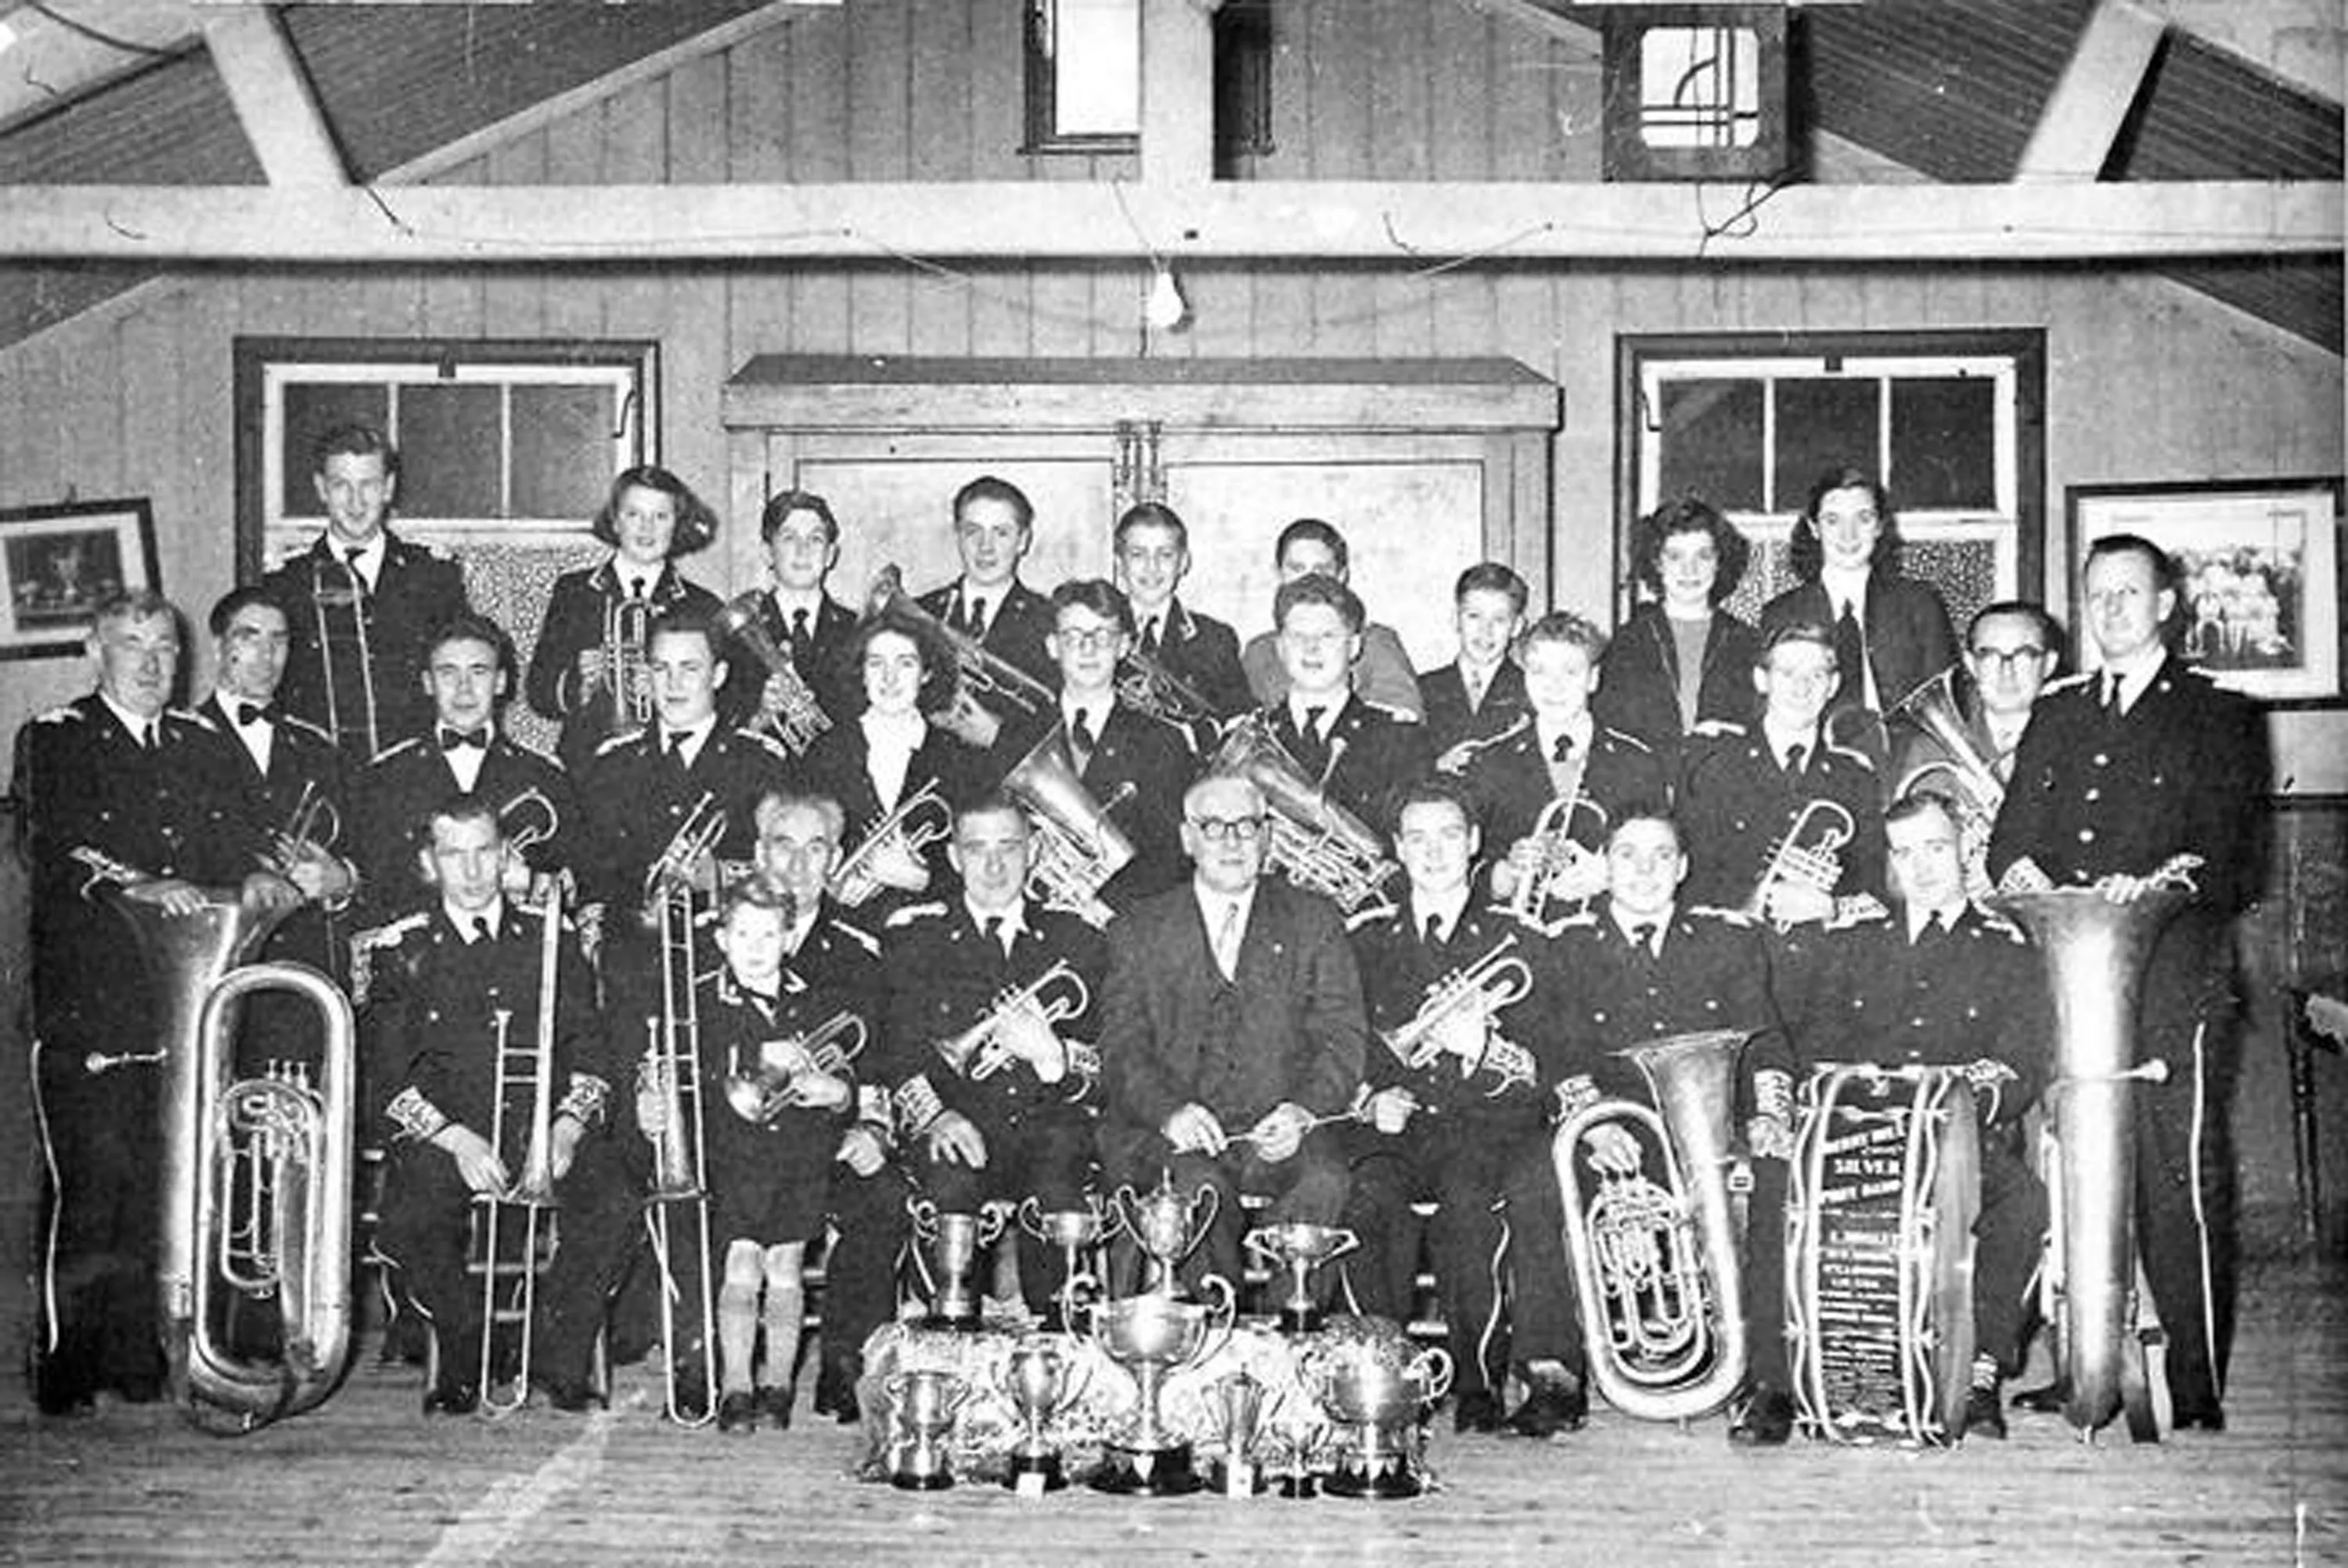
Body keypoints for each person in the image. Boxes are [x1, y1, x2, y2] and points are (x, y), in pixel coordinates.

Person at [1987, 533, 2268, 1433]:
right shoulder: (2063, 712)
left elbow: (2231, 860)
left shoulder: (2217, 714)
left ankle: (2191, 1379)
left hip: (2173, 977)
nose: (2110, 610)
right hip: (2072, 980)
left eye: (2128, 594)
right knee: (2071, 1172)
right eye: (2096, 595)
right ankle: (2086, 1367)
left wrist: (2151, 881)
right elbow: (2010, 838)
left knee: (2168, 1171)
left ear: (2164, 606)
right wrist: (2025, 875)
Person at [16, 591, 299, 1414]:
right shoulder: (54, 739)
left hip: (181, 1005)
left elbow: (237, 832)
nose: (151, 664)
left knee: (155, 1179)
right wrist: (144, 882)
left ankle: (136, 1356)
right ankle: (65, 1363)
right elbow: (56, 842)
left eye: (166, 650)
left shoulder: (197, 742)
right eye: (131, 645)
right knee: (91, 1182)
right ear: (93, 651)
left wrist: (253, 871)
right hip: (91, 1005)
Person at [1500, 807, 1797, 1442]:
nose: (1644, 870)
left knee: (1773, 1181)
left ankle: (1768, 1380)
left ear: (1683, 867)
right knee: (1534, 1182)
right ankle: (1554, 1374)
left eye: (1661, 854)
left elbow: (1767, 1043)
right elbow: (1551, 1048)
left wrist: (1771, 1115)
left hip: (1713, 1130)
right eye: (1628, 854)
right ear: (1604, 867)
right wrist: (1590, 1121)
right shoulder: (1565, 945)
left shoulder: (1729, 939)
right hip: (1613, 1130)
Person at [1775, 790, 2049, 1438]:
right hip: (1859, 1137)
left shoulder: (2010, 949)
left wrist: (1954, 1110)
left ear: (1965, 850)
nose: (1922, 867)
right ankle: (1802, 1370)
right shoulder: (1856, 943)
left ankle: (1983, 1369)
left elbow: (2021, 1061)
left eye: (1936, 848)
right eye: (1905, 853)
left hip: (1960, 1136)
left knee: (2024, 1203)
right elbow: (1816, 1043)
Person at [362, 794, 628, 1415]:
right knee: (411, 1216)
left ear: (506, 854)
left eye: (485, 851)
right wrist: (456, 1140)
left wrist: (565, 1129)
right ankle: (467, 1350)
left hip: (541, 1126)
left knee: (614, 1198)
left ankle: (556, 1356)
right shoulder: (401, 947)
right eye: (455, 855)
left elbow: (593, 1049)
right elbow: (388, 1077)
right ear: (433, 863)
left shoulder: (550, 938)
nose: (474, 870)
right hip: (448, 1135)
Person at [1339, 775, 1565, 1433]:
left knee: (1470, 1205)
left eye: (1448, 836)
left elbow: (1544, 1067)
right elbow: (1341, 1048)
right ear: (1398, 850)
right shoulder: (1365, 938)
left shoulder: (1522, 937)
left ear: (1474, 845)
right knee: (1365, 1198)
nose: (1433, 852)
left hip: (1483, 1128)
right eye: (1417, 838)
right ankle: (1377, 1373)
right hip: (1398, 1130)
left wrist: (1481, 1048)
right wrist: (1370, 1097)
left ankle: (1477, 1384)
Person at [1096, 773, 1368, 1291]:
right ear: (1186, 838)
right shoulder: (1138, 927)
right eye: (1213, 826)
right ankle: (1212, 1348)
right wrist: (1170, 1113)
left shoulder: (1314, 920)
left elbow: (1342, 1038)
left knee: (1326, 1181)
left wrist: (1302, 1111)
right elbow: (1122, 1047)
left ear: (1268, 836)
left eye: (1246, 826)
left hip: (1281, 1130)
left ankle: (1295, 1345)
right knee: (1198, 1191)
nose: (1231, 841)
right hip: (1174, 1135)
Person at [879, 797, 1108, 1325]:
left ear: (1036, 851)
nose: (994, 866)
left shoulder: (1079, 939)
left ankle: (1060, 1334)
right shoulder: (916, 938)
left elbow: (1107, 1060)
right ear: (954, 859)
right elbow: (897, 1053)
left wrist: (1051, 1055)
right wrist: (937, 1116)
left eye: (1009, 847)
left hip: (1050, 1123)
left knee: (1060, 1178)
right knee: (950, 1186)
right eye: (976, 850)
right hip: (956, 1121)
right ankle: (947, 1339)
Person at [648, 879, 855, 1433]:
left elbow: (844, 1074)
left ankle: (779, 1386)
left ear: (790, 938)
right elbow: (689, 1070)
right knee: (740, 1262)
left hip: (798, 1156)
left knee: (784, 1266)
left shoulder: (814, 1000)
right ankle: (737, 1385)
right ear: (720, 939)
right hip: (732, 1156)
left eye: (769, 934)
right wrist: (755, 1054)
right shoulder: (700, 1002)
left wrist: (836, 1092)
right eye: (743, 933)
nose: (756, 946)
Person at [743, 789, 899, 1422]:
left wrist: (871, 1123)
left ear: (836, 860)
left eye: (817, 849)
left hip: (826, 1142)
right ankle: (711, 1369)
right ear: (758, 853)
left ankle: (844, 1364)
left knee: (881, 1195)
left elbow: (886, 1057)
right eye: (784, 845)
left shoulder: (864, 953)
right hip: (740, 1147)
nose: (799, 864)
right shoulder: (715, 939)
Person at [574, 609, 794, 1012]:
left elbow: (785, 872)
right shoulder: (611, 764)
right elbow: (591, 875)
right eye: (661, 669)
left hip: (732, 968)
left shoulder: (761, 763)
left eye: (690, 669)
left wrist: (720, 876)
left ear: (719, 675)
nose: (673, 684)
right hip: (633, 970)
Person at [198, 586, 359, 1061]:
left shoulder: (318, 747)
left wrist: (340, 878)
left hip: (303, 974)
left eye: (279, 640)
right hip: (216, 968)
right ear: (218, 646)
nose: (266, 655)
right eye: (250, 637)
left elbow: (356, 849)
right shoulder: (177, 738)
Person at [262, 423, 470, 765]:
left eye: (368, 485)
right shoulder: (285, 584)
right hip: (317, 774)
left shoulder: (434, 577)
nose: (356, 502)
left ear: (388, 488)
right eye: (341, 485)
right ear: (321, 488)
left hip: (411, 777)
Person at [354, 613, 576, 920]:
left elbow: (575, 887)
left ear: (500, 682)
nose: (464, 689)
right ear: (428, 683)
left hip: (518, 957)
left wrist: (528, 880)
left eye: (478, 672)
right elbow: (372, 888)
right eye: (448, 673)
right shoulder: (384, 778)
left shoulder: (545, 776)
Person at [1453, 612, 1669, 924]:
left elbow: (1665, 858)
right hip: (1517, 941)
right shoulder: (1489, 763)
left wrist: (1612, 874)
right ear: (1524, 677)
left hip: (1610, 935)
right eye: (1539, 671)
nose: (1554, 686)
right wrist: (1509, 873)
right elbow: (1466, 872)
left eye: (1570, 672)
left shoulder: (1637, 762)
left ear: (1593, 679)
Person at [994, 578, 1190, 914]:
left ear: (1124, 645)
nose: (1088, 649)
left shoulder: (1160, 740)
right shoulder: (1016, 735)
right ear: (1052, 646)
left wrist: (1103, 903)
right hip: (1033, 917)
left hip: (1125, 919)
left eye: (1103, 636)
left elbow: (1171, 856)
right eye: (1073, 637)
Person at [1677, 620, 1886, 923]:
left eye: (1816, 675)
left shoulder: (1856, 777)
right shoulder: (1714, 763)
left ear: (1834, 686)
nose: (1802, 688)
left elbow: (1877, 894)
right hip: (1730, 954)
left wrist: (1831, 909)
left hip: (1824, 959)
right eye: (1788, 673)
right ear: (1762, 680)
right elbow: (1687, 885)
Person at [525, 466, 725, 775]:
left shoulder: (702, 606)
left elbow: (721, 700)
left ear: (678, 524)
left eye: (661, 517)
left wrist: (667, 692)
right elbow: (539, 693)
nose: (647, 528)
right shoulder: (574, 592)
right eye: (634, 515)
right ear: (616, 521)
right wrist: (580, 682)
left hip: (670, 765)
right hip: (587, 762)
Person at [1760, 467, 1958, 760]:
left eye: (1863, 519)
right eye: (1833, 520)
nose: (1848, 534)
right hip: (1814, 767)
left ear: (1879, 526)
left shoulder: (1919, 604)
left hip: (1906, 763)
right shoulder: (1781, 613)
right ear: (1814, 528)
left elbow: (1947, 706)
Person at [800, 606, 985, 912]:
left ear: (926, 673)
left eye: (905, 664)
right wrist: (831, 881)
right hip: (840, 925)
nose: (889, 678)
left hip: (928, 927)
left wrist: (923, 879)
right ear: (861, 672)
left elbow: (979, 863)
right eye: (876, 664)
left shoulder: (957, 758)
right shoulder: (826, 751)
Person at [1886, 599, 2062, 892]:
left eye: (2024, 654)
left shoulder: (2082, 744)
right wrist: (1956, 875)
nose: (2006, 671)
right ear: (1970, 664)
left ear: (2049, 664)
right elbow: (1897, 871)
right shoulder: (1930, 751)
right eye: (1989, 655)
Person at [1255, 572, 1432, 856]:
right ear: (1280, 647)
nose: (1311, 648)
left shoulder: (1400, 740)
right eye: (1298, 636)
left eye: (1327, 636)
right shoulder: (1254, 739)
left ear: (1355, 646)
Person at [1590, 497, 1762, 772]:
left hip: (1724, 789)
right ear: (1657, 562)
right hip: (1646, 793)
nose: (1689, 570)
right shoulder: (1628, 643)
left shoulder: (1747, 642)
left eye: (1703, 556)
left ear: (1720, 562)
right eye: (1675, 556)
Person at [1241, 519, 1424, 720]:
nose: (1309, 580)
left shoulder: (1375, 644)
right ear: (1278, 573)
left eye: (1321, 570)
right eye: (1297, 568)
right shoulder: (1259, 652)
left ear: (1342, 576)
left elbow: (1401, 722)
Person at [1111, 501, 1252, 748]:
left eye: (1165, 555)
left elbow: (1236, 719)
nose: (1151, 567)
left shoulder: (1215, 638)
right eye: (1137, 554)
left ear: (1184, 562)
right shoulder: (1096, 631)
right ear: (1119, 562)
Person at [729, 488, 861, 731]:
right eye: (789, 538)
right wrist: (760, 715)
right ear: (767, 553)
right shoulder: (736, 636)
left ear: (831, 555)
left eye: (816, 539)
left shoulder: (858, 631)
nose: (803, 550)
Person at [916, 474, 1057, 691]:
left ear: (1023, 541)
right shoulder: (920, 614)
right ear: (958, 536)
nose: (986, 547)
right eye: (973, 531)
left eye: (1001, 533)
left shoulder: (1048, 620)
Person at [1423, 563, 1531, 763]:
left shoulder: (1532, 691)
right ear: (1456, 619)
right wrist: (1437, 766)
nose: (1485, 631)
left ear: (1517, 627)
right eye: (1474, 616)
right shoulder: (1422, 690)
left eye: (1499, 620)